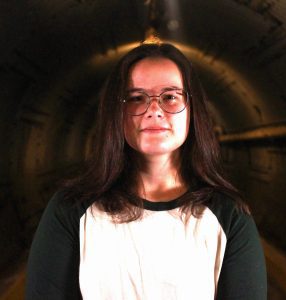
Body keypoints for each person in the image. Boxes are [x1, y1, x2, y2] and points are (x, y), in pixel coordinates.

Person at [25, 42, 267, 299]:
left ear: (193, 111)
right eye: (136, 98)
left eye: (170, 97)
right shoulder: (71, 209)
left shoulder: (229, 214)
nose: (154, 111)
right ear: (116, 113)